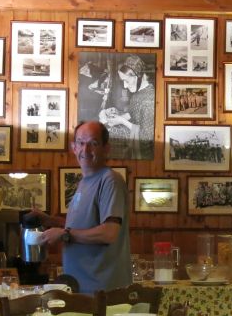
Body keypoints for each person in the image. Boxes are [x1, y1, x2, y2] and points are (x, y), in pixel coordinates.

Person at [31, 121, 131, 293]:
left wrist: (64, 235)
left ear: (106, 148)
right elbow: (84, 226)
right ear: (73, 147)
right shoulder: (84, 182)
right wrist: (50, 221)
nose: (85, 150)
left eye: (93, 143)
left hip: (103, 292)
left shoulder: (110, 180)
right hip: (82, 289)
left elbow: (109, 233)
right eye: (81, 143)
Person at [100, 55, 155, 159]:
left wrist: (121, 121)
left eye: (127, 81)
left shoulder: (150, 99)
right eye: (123, 81)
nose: (125, 86)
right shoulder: (139, 93)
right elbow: (132, 113)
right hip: (133, 143)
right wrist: (116, 114)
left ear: (139, 77)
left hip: (144, 153)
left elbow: (147, 137)